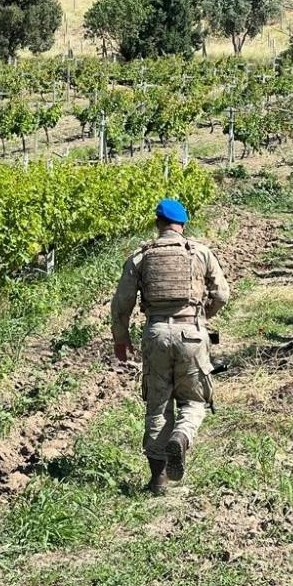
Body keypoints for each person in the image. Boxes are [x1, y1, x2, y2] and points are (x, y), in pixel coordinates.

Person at [111, 198, 230, 495]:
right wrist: (203, 316)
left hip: (156, 334)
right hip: (192, 332)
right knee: (194, 400)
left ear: (157, 223)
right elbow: (222, 294)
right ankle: (182, 436)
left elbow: (121, 304)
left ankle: (158, 480)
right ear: (183, 225)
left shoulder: (141, 256)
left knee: (158, 404)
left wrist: (120, 338)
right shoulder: (200, 252)